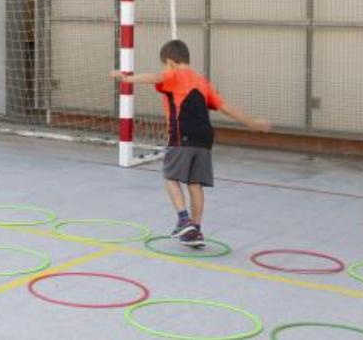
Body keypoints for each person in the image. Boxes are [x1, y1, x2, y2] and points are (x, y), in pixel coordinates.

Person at [110, 39, 271, 247]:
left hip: (182, 134)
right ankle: (195, 230)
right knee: (195, 183)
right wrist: (252, 123)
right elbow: (225, 107)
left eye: (164, 65)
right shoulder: (202, 81)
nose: (164, 70)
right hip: (205, 138)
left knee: (170, 176)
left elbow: (156, 77)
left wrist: (127, 79)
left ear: (170, 62)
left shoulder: (174, 74)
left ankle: (184, 219)